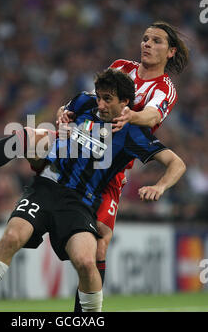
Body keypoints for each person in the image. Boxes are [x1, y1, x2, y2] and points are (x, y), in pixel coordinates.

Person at [0, 68, 186, 312]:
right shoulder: (84, 102)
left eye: (107, 100)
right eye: (99, 97)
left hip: (80, 203)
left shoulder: (134, 134)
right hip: (46, 185)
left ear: (125, 102)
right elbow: (64, 112)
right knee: (12, 235)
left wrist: (160, 186)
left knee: (87, 262)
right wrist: (62, 115)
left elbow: (177, 163)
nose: (100, 104)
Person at [56, 21, 189, 311]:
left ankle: (86, 314)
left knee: (100, 242)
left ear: (170, 52)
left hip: (112, 168)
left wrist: (131, 115)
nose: (147, 44)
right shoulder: (120, 67)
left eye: (156, 41)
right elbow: (95, 99)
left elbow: (152, 115)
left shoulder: (165, 88)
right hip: (82, 152)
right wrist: (67, 111)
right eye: (145, 39)